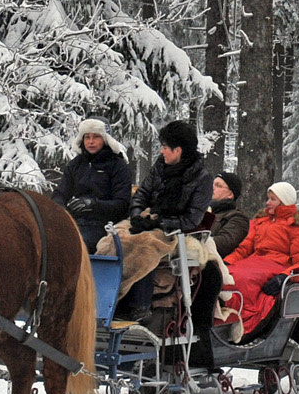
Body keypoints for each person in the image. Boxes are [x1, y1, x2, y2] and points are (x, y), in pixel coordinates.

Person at [117, 119, 213, 321]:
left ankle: (138, 305)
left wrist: (158, 224)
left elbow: (191, 219)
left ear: (178, 150)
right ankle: (102, 297)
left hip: (174, 229)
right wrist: (136, 216)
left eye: (165, 147)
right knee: (113, 238)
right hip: (146, 219)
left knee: (145, 245)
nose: (162, 152)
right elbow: (141, 194)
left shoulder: (201, 178)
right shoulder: (159, 167)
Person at [225, 182, 299, 334]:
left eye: (273, 199)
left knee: (244, 279)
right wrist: (226, 262)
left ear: (283, 202)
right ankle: (224, 316)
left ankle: (243, 319)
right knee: (226, 274)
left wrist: (284, 277)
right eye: (269, 198)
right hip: (254, 262)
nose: (267, 202)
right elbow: (244, 249)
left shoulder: (296, 227)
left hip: (277, 265)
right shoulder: (262, 222)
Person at [56, 118, 133, 250]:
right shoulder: (76, 164)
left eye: (96, 137)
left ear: (105, 139)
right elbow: (60, 193)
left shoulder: (118, 165)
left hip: (105, 225)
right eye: (87, 137)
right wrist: (61, 209)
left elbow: (122, 203)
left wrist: (93, 205)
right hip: (74, 221)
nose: (91, 142)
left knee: (73, 245)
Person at [204, 172, 249, 258]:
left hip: (212, 264)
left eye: (218, 185)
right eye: (212, 184)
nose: (212, 188)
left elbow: (224, 244)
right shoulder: (200, 211)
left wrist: (193, 242)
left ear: (230, 194)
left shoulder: (237, 218)